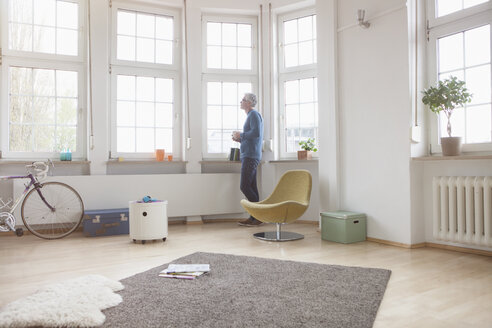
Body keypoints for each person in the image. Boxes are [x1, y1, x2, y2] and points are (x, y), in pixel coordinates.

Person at [232, 93, 264, 227]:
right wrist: (240, 138)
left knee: (244, 186)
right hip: (249, 154)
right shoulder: (251, 116)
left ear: (249, 103)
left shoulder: (253, 115)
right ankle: (254, 217)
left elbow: (256, 133)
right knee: (251, 187)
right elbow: (252, 136)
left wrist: (242, 134)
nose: (241, 101)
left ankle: (258, 215)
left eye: (243, 100)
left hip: (251, 156)